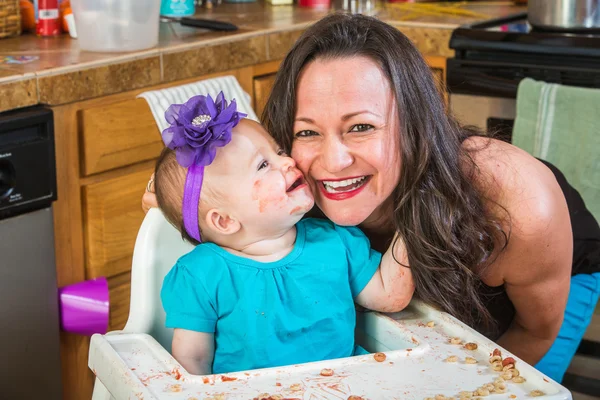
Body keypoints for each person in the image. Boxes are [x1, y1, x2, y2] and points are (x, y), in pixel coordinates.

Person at [144, 13, 600, 382]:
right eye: (306, 132)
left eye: (361, 126)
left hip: (542, 279)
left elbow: (535, 333)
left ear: (414, 128)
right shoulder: (288, 186)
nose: (333, 161)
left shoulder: (515, 205)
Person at [154, 92, 414, 375]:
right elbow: (192, 362)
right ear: (225, 221)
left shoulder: (335, 240)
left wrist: (417, 207)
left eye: (279, 152)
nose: (288, 162)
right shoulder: (201, 275)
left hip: (345, 386)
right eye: (264, 165)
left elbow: (389, 295)